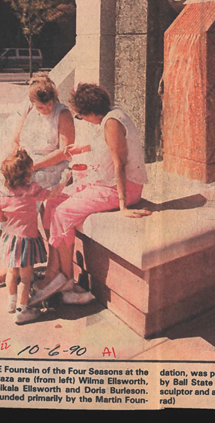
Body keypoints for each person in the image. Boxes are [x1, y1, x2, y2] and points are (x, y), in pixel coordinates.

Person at [29, 83, 151, 307]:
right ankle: (53, 270)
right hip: (105, 184)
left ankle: (64, 277)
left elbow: (120, 164)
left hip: (121, 188)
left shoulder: (112, 123)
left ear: (91, 112)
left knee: (63, 213)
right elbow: (101, 147)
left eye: (81, 115)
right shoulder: (108, 117)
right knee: (53, 201)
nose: (81, 118)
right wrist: (79, 151)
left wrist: (123, 206)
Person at [0, 77, 74, 291]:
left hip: (49, 167)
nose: (46, 109)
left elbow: (66, 151)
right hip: (26, 165)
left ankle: (10, 267)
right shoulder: (28, 110)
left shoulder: (62, 114)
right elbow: (16, 140)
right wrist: (16, 162)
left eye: (49, 104)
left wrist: (33, 166)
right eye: (41, 106)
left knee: (19, 203)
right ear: (33, 103)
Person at [0, 150, 65, 324]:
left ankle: (11, 301)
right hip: (26, 239)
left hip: (10, 239)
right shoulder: (32, 189)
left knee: (11, 271)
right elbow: (52, 194)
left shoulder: (0, 195)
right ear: (27, 174)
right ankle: (22, 310)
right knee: (25, 278)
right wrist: (64, 180)